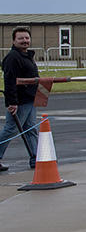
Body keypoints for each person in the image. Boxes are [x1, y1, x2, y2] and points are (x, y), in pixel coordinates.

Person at [0, 26, 40, 172]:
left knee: (30, 130)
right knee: (10, 130)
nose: (25, 41)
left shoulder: (26, 56)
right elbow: (9, 81)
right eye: (21, 38)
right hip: (20, 101)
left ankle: (35, 158)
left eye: (26, 38)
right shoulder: (13, 58)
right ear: (13, 40)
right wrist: (12, 102)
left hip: (30, 100)